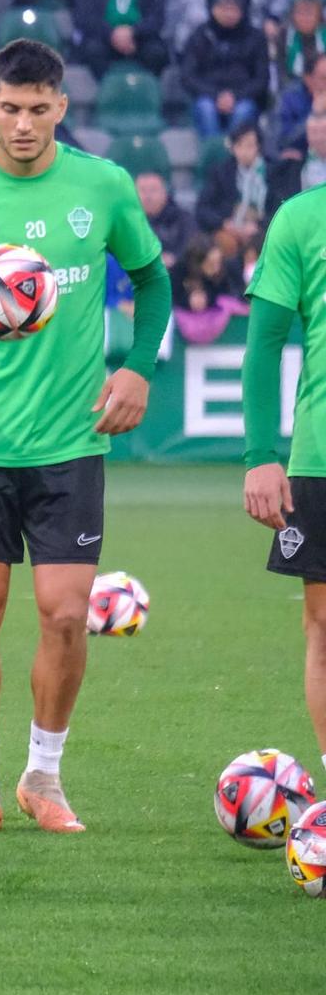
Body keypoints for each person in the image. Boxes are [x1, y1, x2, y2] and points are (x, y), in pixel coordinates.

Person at [0, 39, 172, 838]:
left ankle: (42, 774)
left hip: (71, 439)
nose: (22, 124)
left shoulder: (103, 186)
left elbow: (152, 281)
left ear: (62, 107)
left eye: (38, 109)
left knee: (65, 614)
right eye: (9, 108)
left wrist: (138, 367)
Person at [242, 180, 326, 786]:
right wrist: (261, 454)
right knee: (323, 626)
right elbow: (264, 345)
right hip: (320, 457)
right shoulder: (301, 218)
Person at [184, 0, 272, 139]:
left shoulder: (256, 38)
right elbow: (189, 76)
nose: (228, 13)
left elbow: (262, 79)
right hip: (208, 97)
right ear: (212, 7)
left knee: (243, 110)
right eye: (223, 7)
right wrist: (216, 95)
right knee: (206, 109)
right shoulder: (200, 35)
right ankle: (214, 155)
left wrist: (235, 96)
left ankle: (235, 154)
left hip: (244, 98)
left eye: (233, 8)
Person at [197, 122, 273, 242]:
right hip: (229, 231)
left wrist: (259, 226)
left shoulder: (273, 172)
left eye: (249, 145)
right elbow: (203, 209)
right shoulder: (221, 173)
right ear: (232, 148)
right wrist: (224, 223)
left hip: (262, 231)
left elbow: (280, 208)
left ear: (259, 146)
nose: (244, 151)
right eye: (239, 145)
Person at [137, 170, 194, 270]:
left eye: (153, 190)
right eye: (142, 190)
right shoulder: (125, 221)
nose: (148, 196)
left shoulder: (183, 219)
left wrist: (174, 257)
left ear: (164, 193)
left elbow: (191, 246)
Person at [276, 50, 326, 154]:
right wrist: (315, 113)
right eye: (324, 78)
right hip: (301, 158)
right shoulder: (290, 98)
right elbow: (284, 140)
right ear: (308, 79)